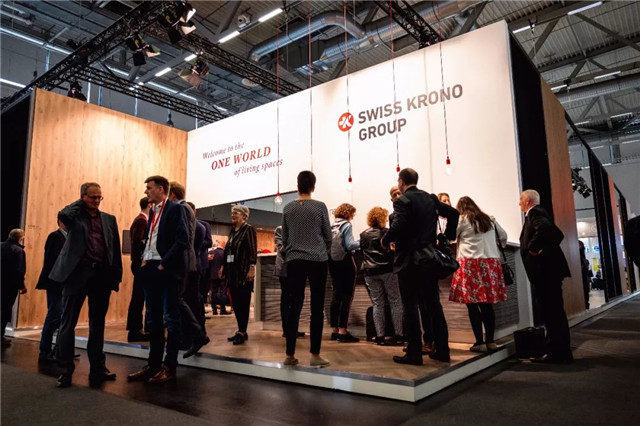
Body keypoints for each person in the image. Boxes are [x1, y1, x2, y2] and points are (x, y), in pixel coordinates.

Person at [382, 168, 459, 365]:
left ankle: (414, 353)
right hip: (428, 258)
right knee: (434, 305)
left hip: (409, 260)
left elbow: (398, 225)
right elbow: (454, 213)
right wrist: (448, 236)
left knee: (410, 306)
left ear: (401, 182)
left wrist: (386, 239)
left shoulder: (402, 201)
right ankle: (442, 350)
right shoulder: (430, 198)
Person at [50, 183, 122, 388]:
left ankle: (98, 368)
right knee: (68, 323)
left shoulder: (109, 219)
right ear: (83, 197)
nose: (97, 201)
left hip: (101, 276)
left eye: (100, 197)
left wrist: (116, 276)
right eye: (92, 197)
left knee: (97, 325)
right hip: (76, 275)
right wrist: (80, 204)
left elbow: (114, 249)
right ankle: (65, 370)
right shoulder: (74, 217)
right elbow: (63, 214)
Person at [127, 175, 188, 384]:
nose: (146, 192)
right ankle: (153, 365)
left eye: (149, 188)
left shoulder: (176, 209)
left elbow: (182, 239)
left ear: (161, 189)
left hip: (167, 269)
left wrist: (164, 262)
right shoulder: (152, 211)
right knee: (152, 319)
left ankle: (169, 367)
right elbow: (152, 238)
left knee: (171, 319)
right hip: (150, 267)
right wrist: (145, 259)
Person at [281, 171, 332, 367]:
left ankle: (289, 354)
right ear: (313, 186)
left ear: (297, 186)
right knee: (316, 308)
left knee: (294, 306)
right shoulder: (319, 206)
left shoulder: (288, 208)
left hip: (295, 260)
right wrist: (320, 248)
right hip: (318, 259)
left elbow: (284, 239)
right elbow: (328, 235)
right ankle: (315, 355)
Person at [519, 189, 573, 364]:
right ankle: (560, 351)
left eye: (521, 199)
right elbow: (556, 233)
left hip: (545, 272)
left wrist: (533, 249)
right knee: (555, 312)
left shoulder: (535, 212)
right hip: (549, 272)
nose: (519, 203)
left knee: (552, 312)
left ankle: (556, 352)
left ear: (528, 201)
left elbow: (547, 230)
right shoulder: (539, 213)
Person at [449, 196, 508, 353]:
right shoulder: (489, 219)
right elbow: (503, 236)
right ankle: (491, 341)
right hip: (490, 263)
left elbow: (451, 236)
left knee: (472, 305)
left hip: (470, 263)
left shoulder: (462, 219)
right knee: (487, 304)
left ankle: (479, 342)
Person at [168, 182, 209, 357]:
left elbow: (184, 239)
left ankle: (194, 336)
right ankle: (192, 336)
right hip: (185, 263)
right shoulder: (185, 209)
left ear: (172, 194)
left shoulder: (182, 209)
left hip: (183, 264)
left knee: (183, 301)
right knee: (183, 301)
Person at [360, 207, 403, 345]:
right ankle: (399, 334)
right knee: (395, 301)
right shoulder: (387, 233)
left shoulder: (363, 234)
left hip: (370, 272)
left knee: (377, 304)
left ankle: (380, 336)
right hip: (387, 270)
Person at [220, 205, 257, 345]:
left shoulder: (249, 229)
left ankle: (242, 331)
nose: (233, 214)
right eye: (232, 212)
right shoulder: (232, 231)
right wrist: (223, 266)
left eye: (236, 213)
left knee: (243, 303)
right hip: (231, 273)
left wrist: (252, 268)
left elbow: (252, 250)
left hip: (243, 273)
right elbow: (227, 251)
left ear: (244, 216)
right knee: (235, 303)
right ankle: (240, 330)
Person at [36, 218, 67, 362]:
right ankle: (44, 350)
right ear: (60, 222)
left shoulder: (68, 237)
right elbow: (52, 259)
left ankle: (59, 350)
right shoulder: (54, 236)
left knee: (62, 317)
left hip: (64, 283)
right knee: (54, 315)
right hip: (55, 283)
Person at [329, 203, 360, 343]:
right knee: (346, 297)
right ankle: (343, 331)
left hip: (332, 263)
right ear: (349, 213)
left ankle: (334, 330)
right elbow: (350, 245)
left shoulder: (331, 225)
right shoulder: (346, 225)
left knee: (336, 295)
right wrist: (362, 241)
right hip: (345, 262)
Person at [126, 197, 151, 342]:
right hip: (140, 263)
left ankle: (136, 329)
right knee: (138, 297)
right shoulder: (142, 221)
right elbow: (138, 240)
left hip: (138, 262)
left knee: (139, 296)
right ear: (149, 206)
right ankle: (135, 330)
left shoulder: (140, 220)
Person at [275, 226, 305, 339]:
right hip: (285, 269)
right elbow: (282, 248)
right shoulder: (280, 229)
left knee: (298, 299)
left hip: (299, 269)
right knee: (287, 300)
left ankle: (293, 328)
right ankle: (287, 330)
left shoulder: (301, 229)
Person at [188, 202, 212, 331]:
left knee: (199, 293)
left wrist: (193, 242)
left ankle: (199, 321)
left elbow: (209, 242)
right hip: (188, 263)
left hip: (200, 263)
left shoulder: (202, 225)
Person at [1, 229, 27, 347]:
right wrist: (22, 286)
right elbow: (19, 271)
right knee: (5, 310)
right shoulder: (18, 251)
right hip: (10, 285)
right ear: (20, 238)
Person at [209, 241, 229, 315]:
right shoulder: (225, 253)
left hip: (213, 275)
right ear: (223, 245)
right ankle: (222, 310)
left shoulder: (211, 252)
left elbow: (209, 264)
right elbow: (227, 264)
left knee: (213, 292)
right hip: (223, 276)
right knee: (223, 293)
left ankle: (214, 310)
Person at [578, 240, 591, 310]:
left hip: (583, 276)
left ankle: (586, 305)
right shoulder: (585, 260)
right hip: (583, 276)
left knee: (585, 290)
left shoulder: (583, 260)